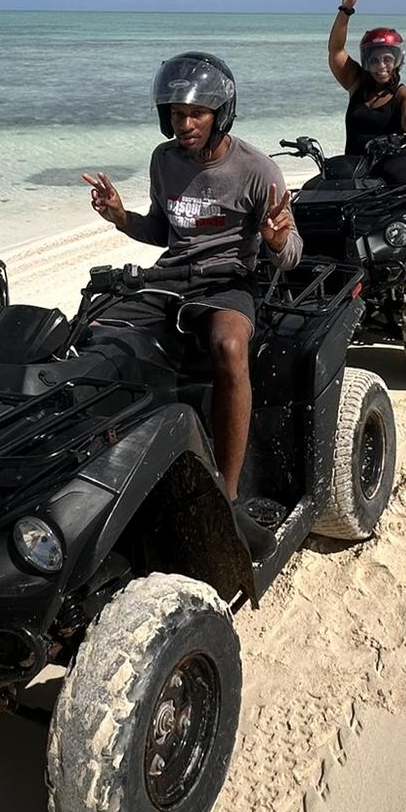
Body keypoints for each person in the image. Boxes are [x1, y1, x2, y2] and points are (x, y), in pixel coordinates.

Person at [81, 52, 302, 551]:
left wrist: (272, 240)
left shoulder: (257, 170)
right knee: (94, 333)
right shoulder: (164, 160)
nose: (184, 125)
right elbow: (163, 231)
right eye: (176, 114)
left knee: (228, 349)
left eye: (195, 114)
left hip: (227, 282)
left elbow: (290, 255)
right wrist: (121, 218)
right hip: (172, 277)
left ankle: (226, 493)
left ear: (219, 113)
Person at [327, 0, 406, 179]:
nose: (381, 66)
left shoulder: (405, 95)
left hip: (396, 164)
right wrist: (346, 10)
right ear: (366, 61)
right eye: (374, 60)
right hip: (356, 168)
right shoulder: (356, 82)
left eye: (387, 59)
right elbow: (336, 50)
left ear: (398, 61)